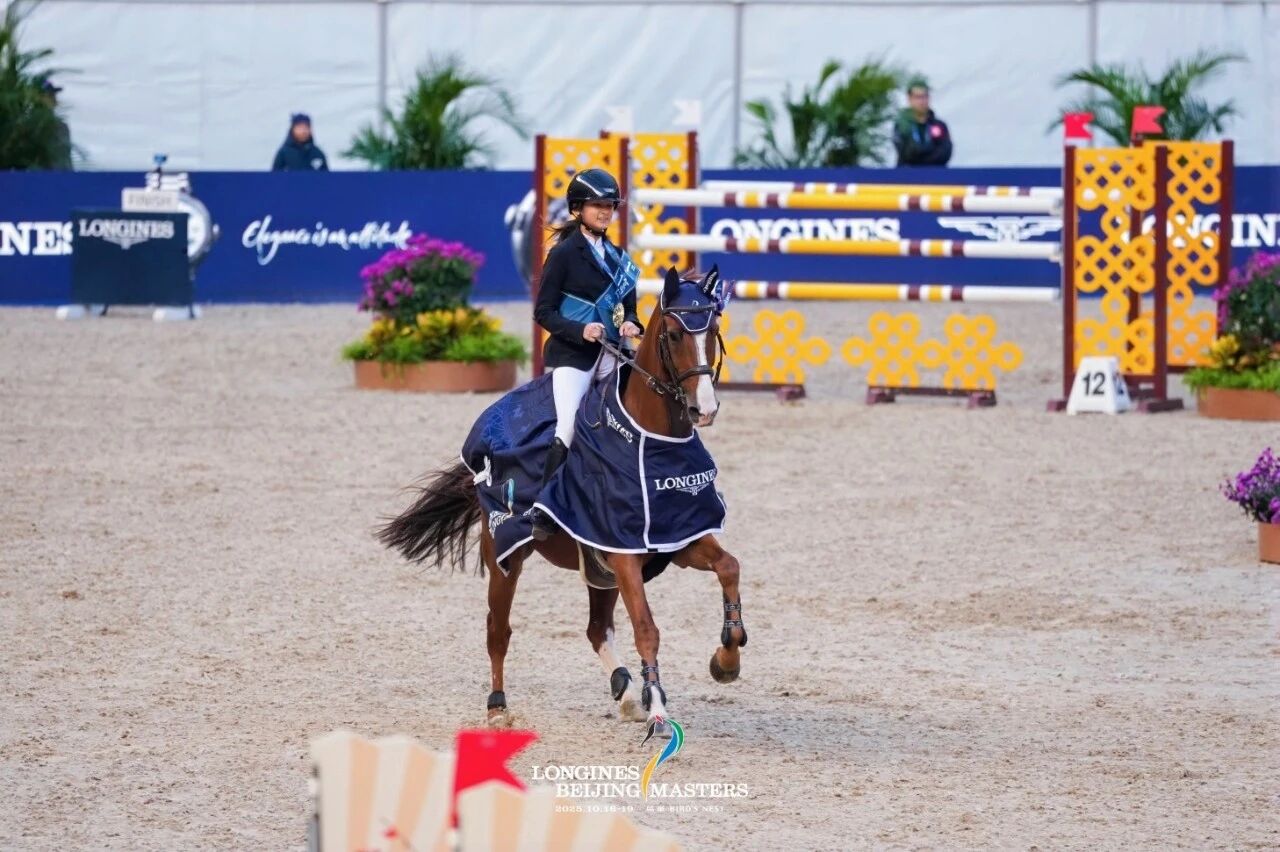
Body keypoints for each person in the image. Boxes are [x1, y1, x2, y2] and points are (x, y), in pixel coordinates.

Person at [528, 168, 642, 540]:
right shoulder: (563, 254)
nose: (606, 212)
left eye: (610, 206)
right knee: (569, 425)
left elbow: (630, 308)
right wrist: (581, 330)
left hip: (614, 352)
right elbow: (543, 312)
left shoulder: (619, 257)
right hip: (573, 355)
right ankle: (545, 507)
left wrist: (631, 324)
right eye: (598, 206)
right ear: (578, 209)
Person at [893, 78, 952, 167]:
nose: (922, 101)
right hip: (907, 173)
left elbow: (945, 152)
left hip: (935, 173)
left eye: (925, 96)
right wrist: (926, 152)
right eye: (917, 97)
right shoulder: (901, 125)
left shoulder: (939, 126)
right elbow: (906, 153)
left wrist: (923, 157)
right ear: (909, 99)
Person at [37, 76, 73, 170]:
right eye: (49, 96)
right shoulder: (24, 128)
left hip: (59, 177)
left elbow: (66, 160)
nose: (54, 99)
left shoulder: (62, 127)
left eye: (53, 95)